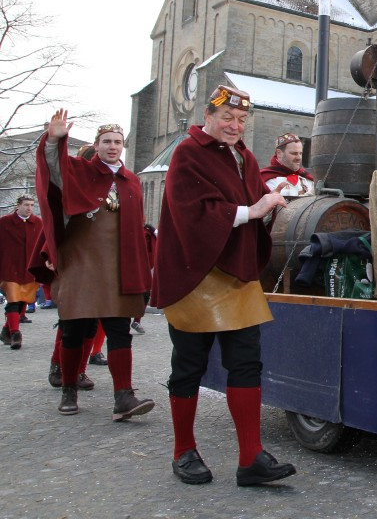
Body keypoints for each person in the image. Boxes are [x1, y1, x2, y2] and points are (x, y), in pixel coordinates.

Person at [153, 85, 294, 487]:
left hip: (237, 275)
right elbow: (191, 213)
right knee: (189, 366)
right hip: (194, 274)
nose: (235, 126)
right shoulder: (187, 153)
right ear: (209, 116)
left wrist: (269, 202)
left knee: (247, 363)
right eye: (227, 118)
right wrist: (253, 209)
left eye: (241, 120)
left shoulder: (245, 157)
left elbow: (250, 206)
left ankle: (251, 457)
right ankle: (184, 450)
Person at [33, 113, 156, 420]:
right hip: (82, 262)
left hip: (119, 266)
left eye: (117, 142)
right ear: (96, 145)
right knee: (74, 329)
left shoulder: (132, 182)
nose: (112, 147)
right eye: (106, 142)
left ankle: (124, 396)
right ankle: (69, 389)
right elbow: (51, 173)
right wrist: (53, 140)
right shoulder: (80, 172)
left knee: (119, 330)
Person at [0, 195, 43, 350]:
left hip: (29, 269)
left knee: (23, 300)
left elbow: (43, 246)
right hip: (10, 268)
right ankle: (15, 333)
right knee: (13, 300)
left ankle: (7, 328)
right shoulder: (4, 222)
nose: (29, 208)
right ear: (18, 206)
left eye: (31, 205)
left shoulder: (38, 223)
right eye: (26, 205)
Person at [259, 133, 314, 197]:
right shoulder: (265, 180)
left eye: (300, 153)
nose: (299, 158)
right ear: (279, 153)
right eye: (294, 153)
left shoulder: (307, 178)